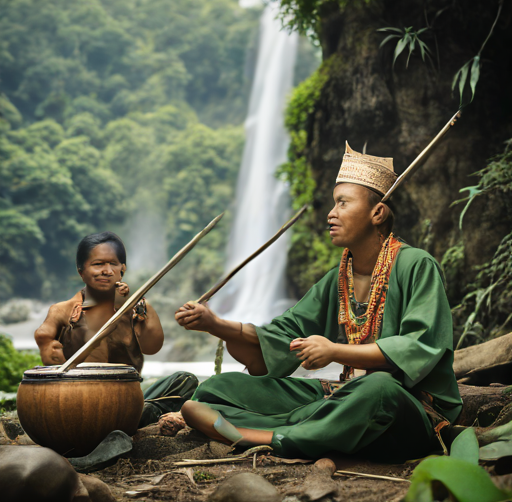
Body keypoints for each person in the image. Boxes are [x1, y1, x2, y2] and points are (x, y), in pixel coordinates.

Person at [174, 142, 463, 461]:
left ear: (377, 213)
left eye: (342, 203)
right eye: (332, 204)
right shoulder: (341, 277)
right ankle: (310, 427)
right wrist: (215, 324)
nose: (331, 214)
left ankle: (269, 435)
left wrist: (334, 351)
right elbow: (282, 336)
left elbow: (417, 349)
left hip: (412, 406)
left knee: (379, 388)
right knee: (221, 388)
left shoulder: (417, 266)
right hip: (344, 393)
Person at [35, 231, 198, 427]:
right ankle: (127, 423)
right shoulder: (63, 311)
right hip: (77, 402)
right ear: (81, 271)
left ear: (122, 269)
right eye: (97, 264)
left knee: (184, 380)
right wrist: (47, 344)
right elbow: (46, 345)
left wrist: (135, 310)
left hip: (126, 400)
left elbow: (152, 347)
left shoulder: (136, 308)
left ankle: (130, 419)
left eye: (112, 264)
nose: (106, 270)